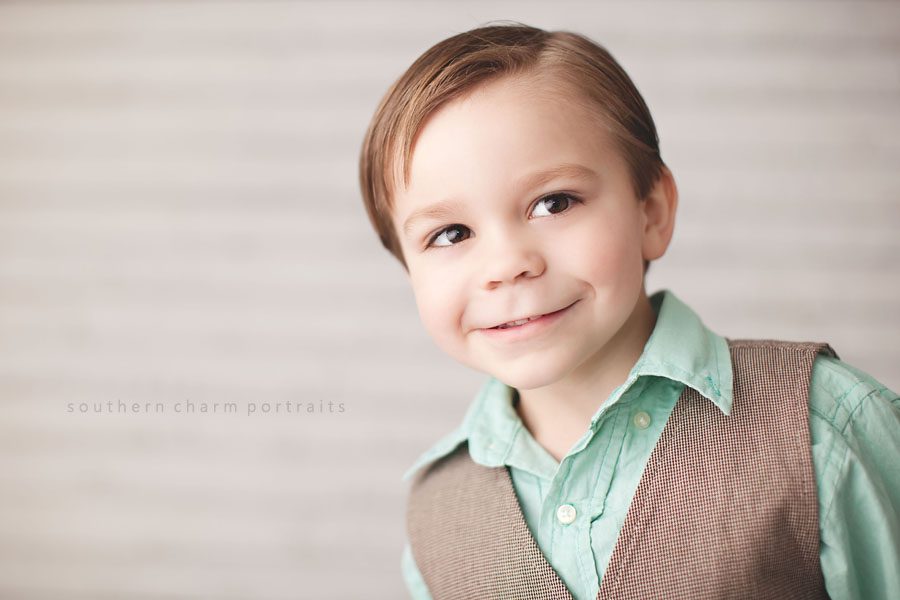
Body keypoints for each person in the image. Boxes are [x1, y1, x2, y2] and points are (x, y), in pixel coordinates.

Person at [357, 22, 899, 600]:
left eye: (553, 203)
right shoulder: (437, 513)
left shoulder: (824, 427)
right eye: (451, 234)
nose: (507, 265)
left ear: (652, 213)